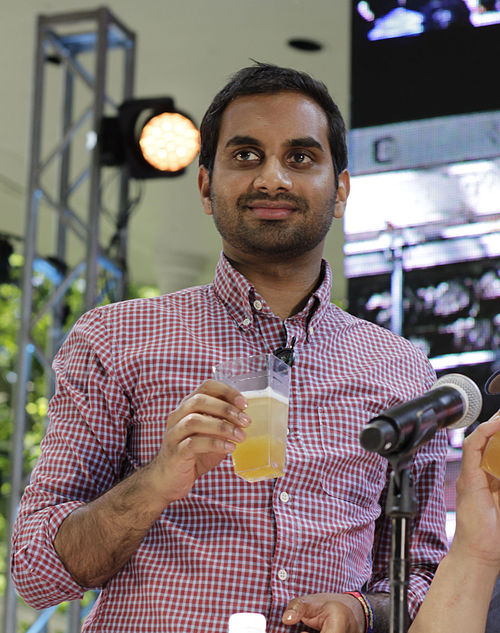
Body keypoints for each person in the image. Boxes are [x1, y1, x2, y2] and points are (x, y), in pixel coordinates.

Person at [11, 63, 449, 633]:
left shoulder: (404, 371)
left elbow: (425, 573)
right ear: (204, 185)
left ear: (340, 190)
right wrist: (156, 482)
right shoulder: (115, 340)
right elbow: (37, 573)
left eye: (300, 157)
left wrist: (363, 610)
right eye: (245, 155)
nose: (273, 178)